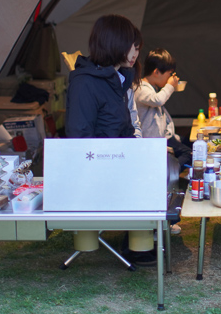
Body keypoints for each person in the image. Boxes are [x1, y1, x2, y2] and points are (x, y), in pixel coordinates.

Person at [65, 14, 156, 265]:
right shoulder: (85, 83)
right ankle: (136, 244)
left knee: (163, 164)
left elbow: (126, 126)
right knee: (151, 175)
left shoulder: (120, 78)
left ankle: (142, 240)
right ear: (113, 43)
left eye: (137, 47)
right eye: (131, 45)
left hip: (118, 160)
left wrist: (138, 151)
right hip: (98, 168)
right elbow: (79, 140)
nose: (135, 52)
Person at [135, 48, 193, 168]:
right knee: (187, 154)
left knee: (190, 142)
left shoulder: (151, 87)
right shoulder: (140, 88)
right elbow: (158, 100)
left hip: (161, 136)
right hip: (152, 141)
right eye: (169, 74)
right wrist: (170, 86)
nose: (170, 78)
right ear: (156, 72)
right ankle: (167, 173)